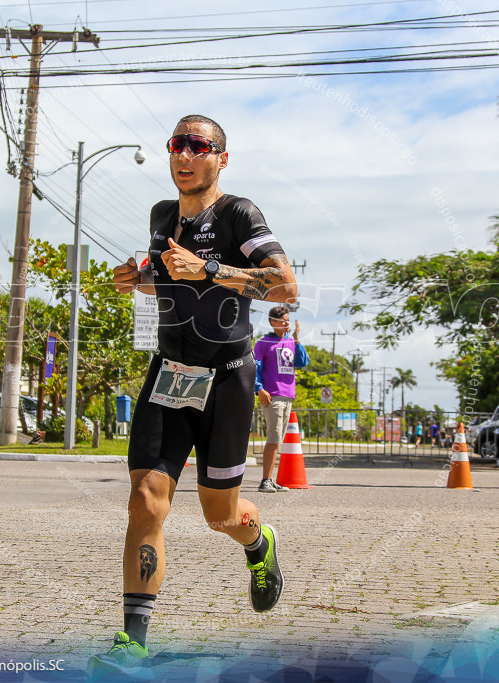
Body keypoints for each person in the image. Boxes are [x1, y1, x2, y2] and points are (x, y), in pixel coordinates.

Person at [91, 114, 297, 676]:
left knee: (219, 514)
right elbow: (171, 279)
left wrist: (207, 267)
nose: (185, 155)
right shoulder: (162, 216)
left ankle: (260, 544)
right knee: (145, 502)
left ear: (221, 158)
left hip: (228, 378)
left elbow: (285, 286)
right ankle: (132, 643)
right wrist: (138, 281)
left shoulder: (239, 214)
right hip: (169, 372)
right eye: (177, 145)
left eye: (198, 145)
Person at [253, 306, 308, 492]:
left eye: (288, 320)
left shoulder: (291, 342)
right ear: (273, 322)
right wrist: (259, 389)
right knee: (273, 438)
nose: (287, 324)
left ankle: (271, 479)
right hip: (272, 395)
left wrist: (297, 339)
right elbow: (255, 367)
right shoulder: (263, 343)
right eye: (283, 321)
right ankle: (265, 480)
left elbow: (302, 362)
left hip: (288, 395)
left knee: (278, 440)